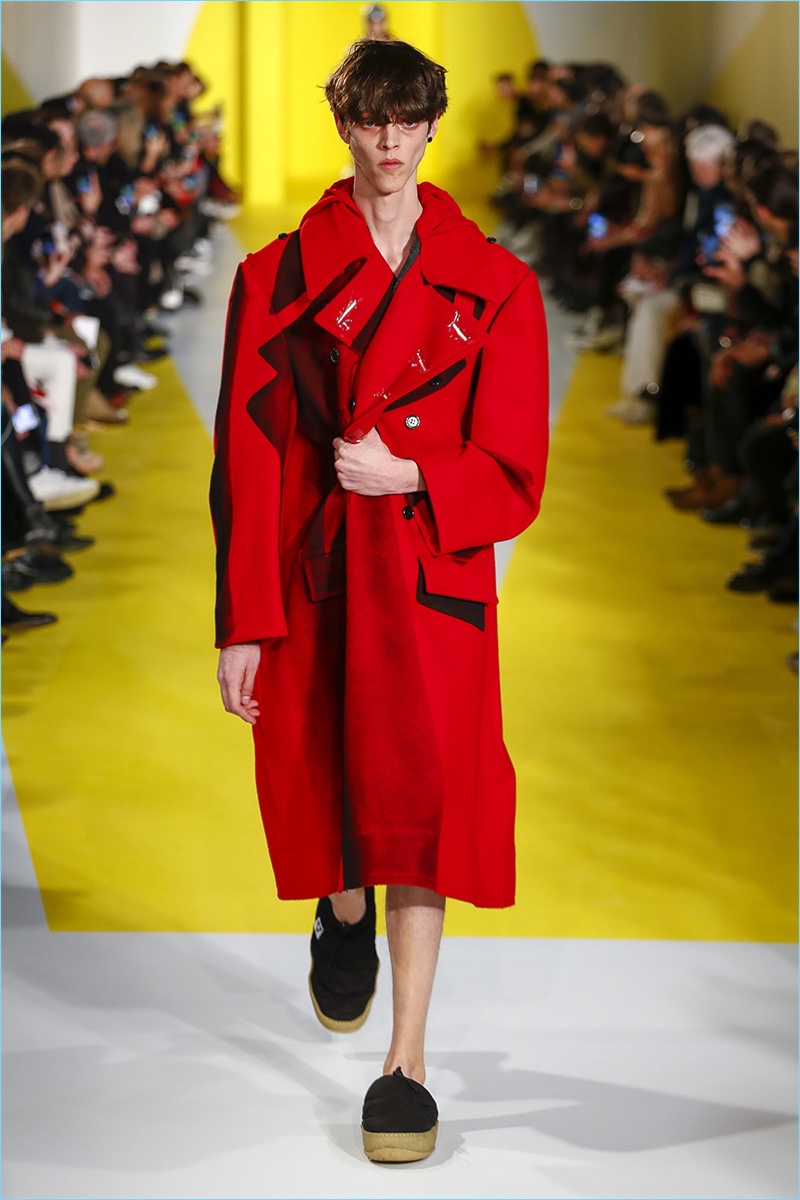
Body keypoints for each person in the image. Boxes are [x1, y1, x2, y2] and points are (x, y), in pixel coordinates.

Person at [210, 38, 549, 1163]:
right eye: (372, 120)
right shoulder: (275, 276)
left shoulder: (496, 284)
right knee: (332, 778)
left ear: (433, 124)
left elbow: (516, 468)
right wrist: (243, 622)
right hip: (321, 573)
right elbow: (250, 458)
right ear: (344, 125)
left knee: (422, 811)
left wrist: (409, 473)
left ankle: (405, 1062)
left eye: (409, 120)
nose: (391, 142)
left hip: (430, 578)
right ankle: (342, 907)